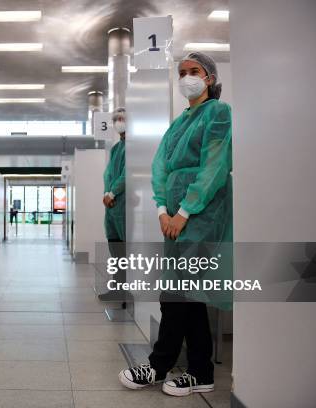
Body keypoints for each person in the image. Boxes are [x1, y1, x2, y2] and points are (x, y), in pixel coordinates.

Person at [118, 52, 232, 397]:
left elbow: (213, 166)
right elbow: (160, 168)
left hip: (202, 215)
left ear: (209, 77)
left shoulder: (218, 113)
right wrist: (162, 210)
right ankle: (200, 371)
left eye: (194, 71)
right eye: (182, 72)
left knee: (177, 295)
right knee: (187, 296)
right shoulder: (181, 120)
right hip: (173, 218)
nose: (187, 77)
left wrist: (184, 211)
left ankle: (159, 364)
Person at [98, 108, 127, 303]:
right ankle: (117, 289)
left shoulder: (132, 146)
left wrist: (113, 192)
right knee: (115, 250)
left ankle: (127, 291)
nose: (118, 122)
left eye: (122, 118)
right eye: (115, 119)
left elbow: (127, 174)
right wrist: (107, 194)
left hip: (123, 204)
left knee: (125, 252)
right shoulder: (116, 148)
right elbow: (109, 174)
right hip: (111, 206)